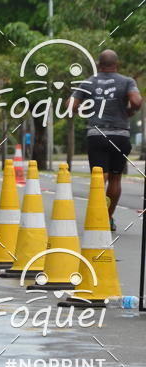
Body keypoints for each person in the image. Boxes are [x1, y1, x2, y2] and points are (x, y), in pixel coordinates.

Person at [71, 49, 142, 231]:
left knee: (99, 178)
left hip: (97, 135)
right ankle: (107, 217)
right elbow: (136, 101)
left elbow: (71, 105)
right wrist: (130, 112)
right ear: (116, 65)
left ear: (98, 65)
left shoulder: (88, 82)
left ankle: (96, 217)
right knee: (115, 178)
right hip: (120, 136)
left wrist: (85, 113)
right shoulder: (127, 81)